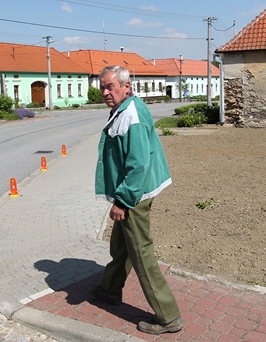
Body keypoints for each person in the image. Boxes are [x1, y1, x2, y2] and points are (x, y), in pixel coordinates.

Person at [90, 65, 183, 335]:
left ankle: (168, 316)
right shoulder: (125, 109)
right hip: (132, 191)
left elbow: (138, 165)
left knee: (141, 253)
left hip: (134, 195)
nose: (106, 92)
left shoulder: (131, 114)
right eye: (102, 87)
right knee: (121, 246)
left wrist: (122, 201)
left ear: (126, 87)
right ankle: (109, 289)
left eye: (110, 87)